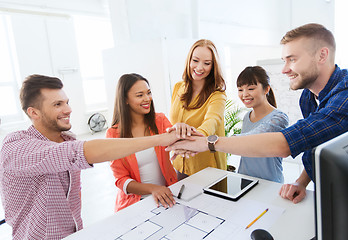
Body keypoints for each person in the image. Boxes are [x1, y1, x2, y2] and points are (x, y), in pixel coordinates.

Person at [166, 23, 348, 203]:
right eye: (284, 60)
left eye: (292, 59)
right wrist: (301, 182)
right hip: (335, 191)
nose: (284, 69)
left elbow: (285, 143)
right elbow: (314, 145)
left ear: (322, 55)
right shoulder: (308, 97)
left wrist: (207, 142)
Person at [0, 74, 189, 239]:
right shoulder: (15, 146)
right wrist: (159, 139)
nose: (68, 110)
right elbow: (80, 152)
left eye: (67, 102)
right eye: (58, 104)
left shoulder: (66, 140)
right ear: (34, 112)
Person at [107, 73, 194, 211]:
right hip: (135, 202)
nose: (147, 98)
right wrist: (153, 189)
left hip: (166, 197)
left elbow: (179, 141)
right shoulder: (113, 134)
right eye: (139, 95)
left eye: (148, 93)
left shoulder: (159, 121)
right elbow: (121, 180)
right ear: (125, 99)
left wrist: (180, 130)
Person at [169, 39, 227, 179]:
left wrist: (194, 141)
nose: (200, 67)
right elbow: (173, 122)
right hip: (180, 162)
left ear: (213, 66)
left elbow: (212, 121)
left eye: (207, 63)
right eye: (195, 60)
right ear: (189, 60)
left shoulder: (217, 94)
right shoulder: (178, 88)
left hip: (206, 167)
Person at [235, 66, 289, 183]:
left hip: (269, 184)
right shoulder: (246, 117)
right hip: (244, 180)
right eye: (240, 90)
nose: (244, 94)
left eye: (250, 88)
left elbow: (251, 139)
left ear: (266, 89)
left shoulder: (279, 118)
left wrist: (213, 142)